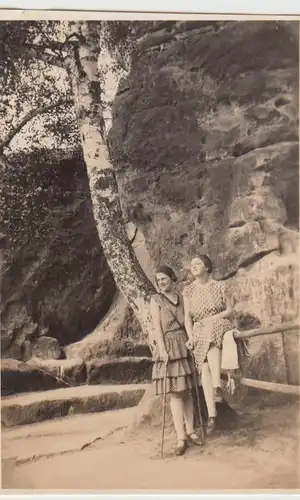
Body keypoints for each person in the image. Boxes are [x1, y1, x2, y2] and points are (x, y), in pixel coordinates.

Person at [151, 265, 202, 456]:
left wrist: (191, 339)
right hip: (169, 347)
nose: (161, 282)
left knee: (188, 390)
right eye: (158, 280)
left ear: (172, 279)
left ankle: (191, 431)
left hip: (184, 345)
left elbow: (188, 321)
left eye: (164, 278)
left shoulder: (183, 298)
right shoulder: (155, 300)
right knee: (175, 393)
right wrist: (162, 350)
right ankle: (180, 437)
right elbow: (157, 327)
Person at [183, 255, 233, 435]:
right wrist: (190, 337)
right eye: (192, 264)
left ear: (207, 266)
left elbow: (229, 310)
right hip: (198, 331)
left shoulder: (220, 286)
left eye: (198, 263)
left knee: (210, 331)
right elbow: (187, 318)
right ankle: (212, 415)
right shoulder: (188, 291)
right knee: (204, 368)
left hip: (218, 324)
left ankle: (217, 386)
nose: (193, 266)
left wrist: (212, 319)